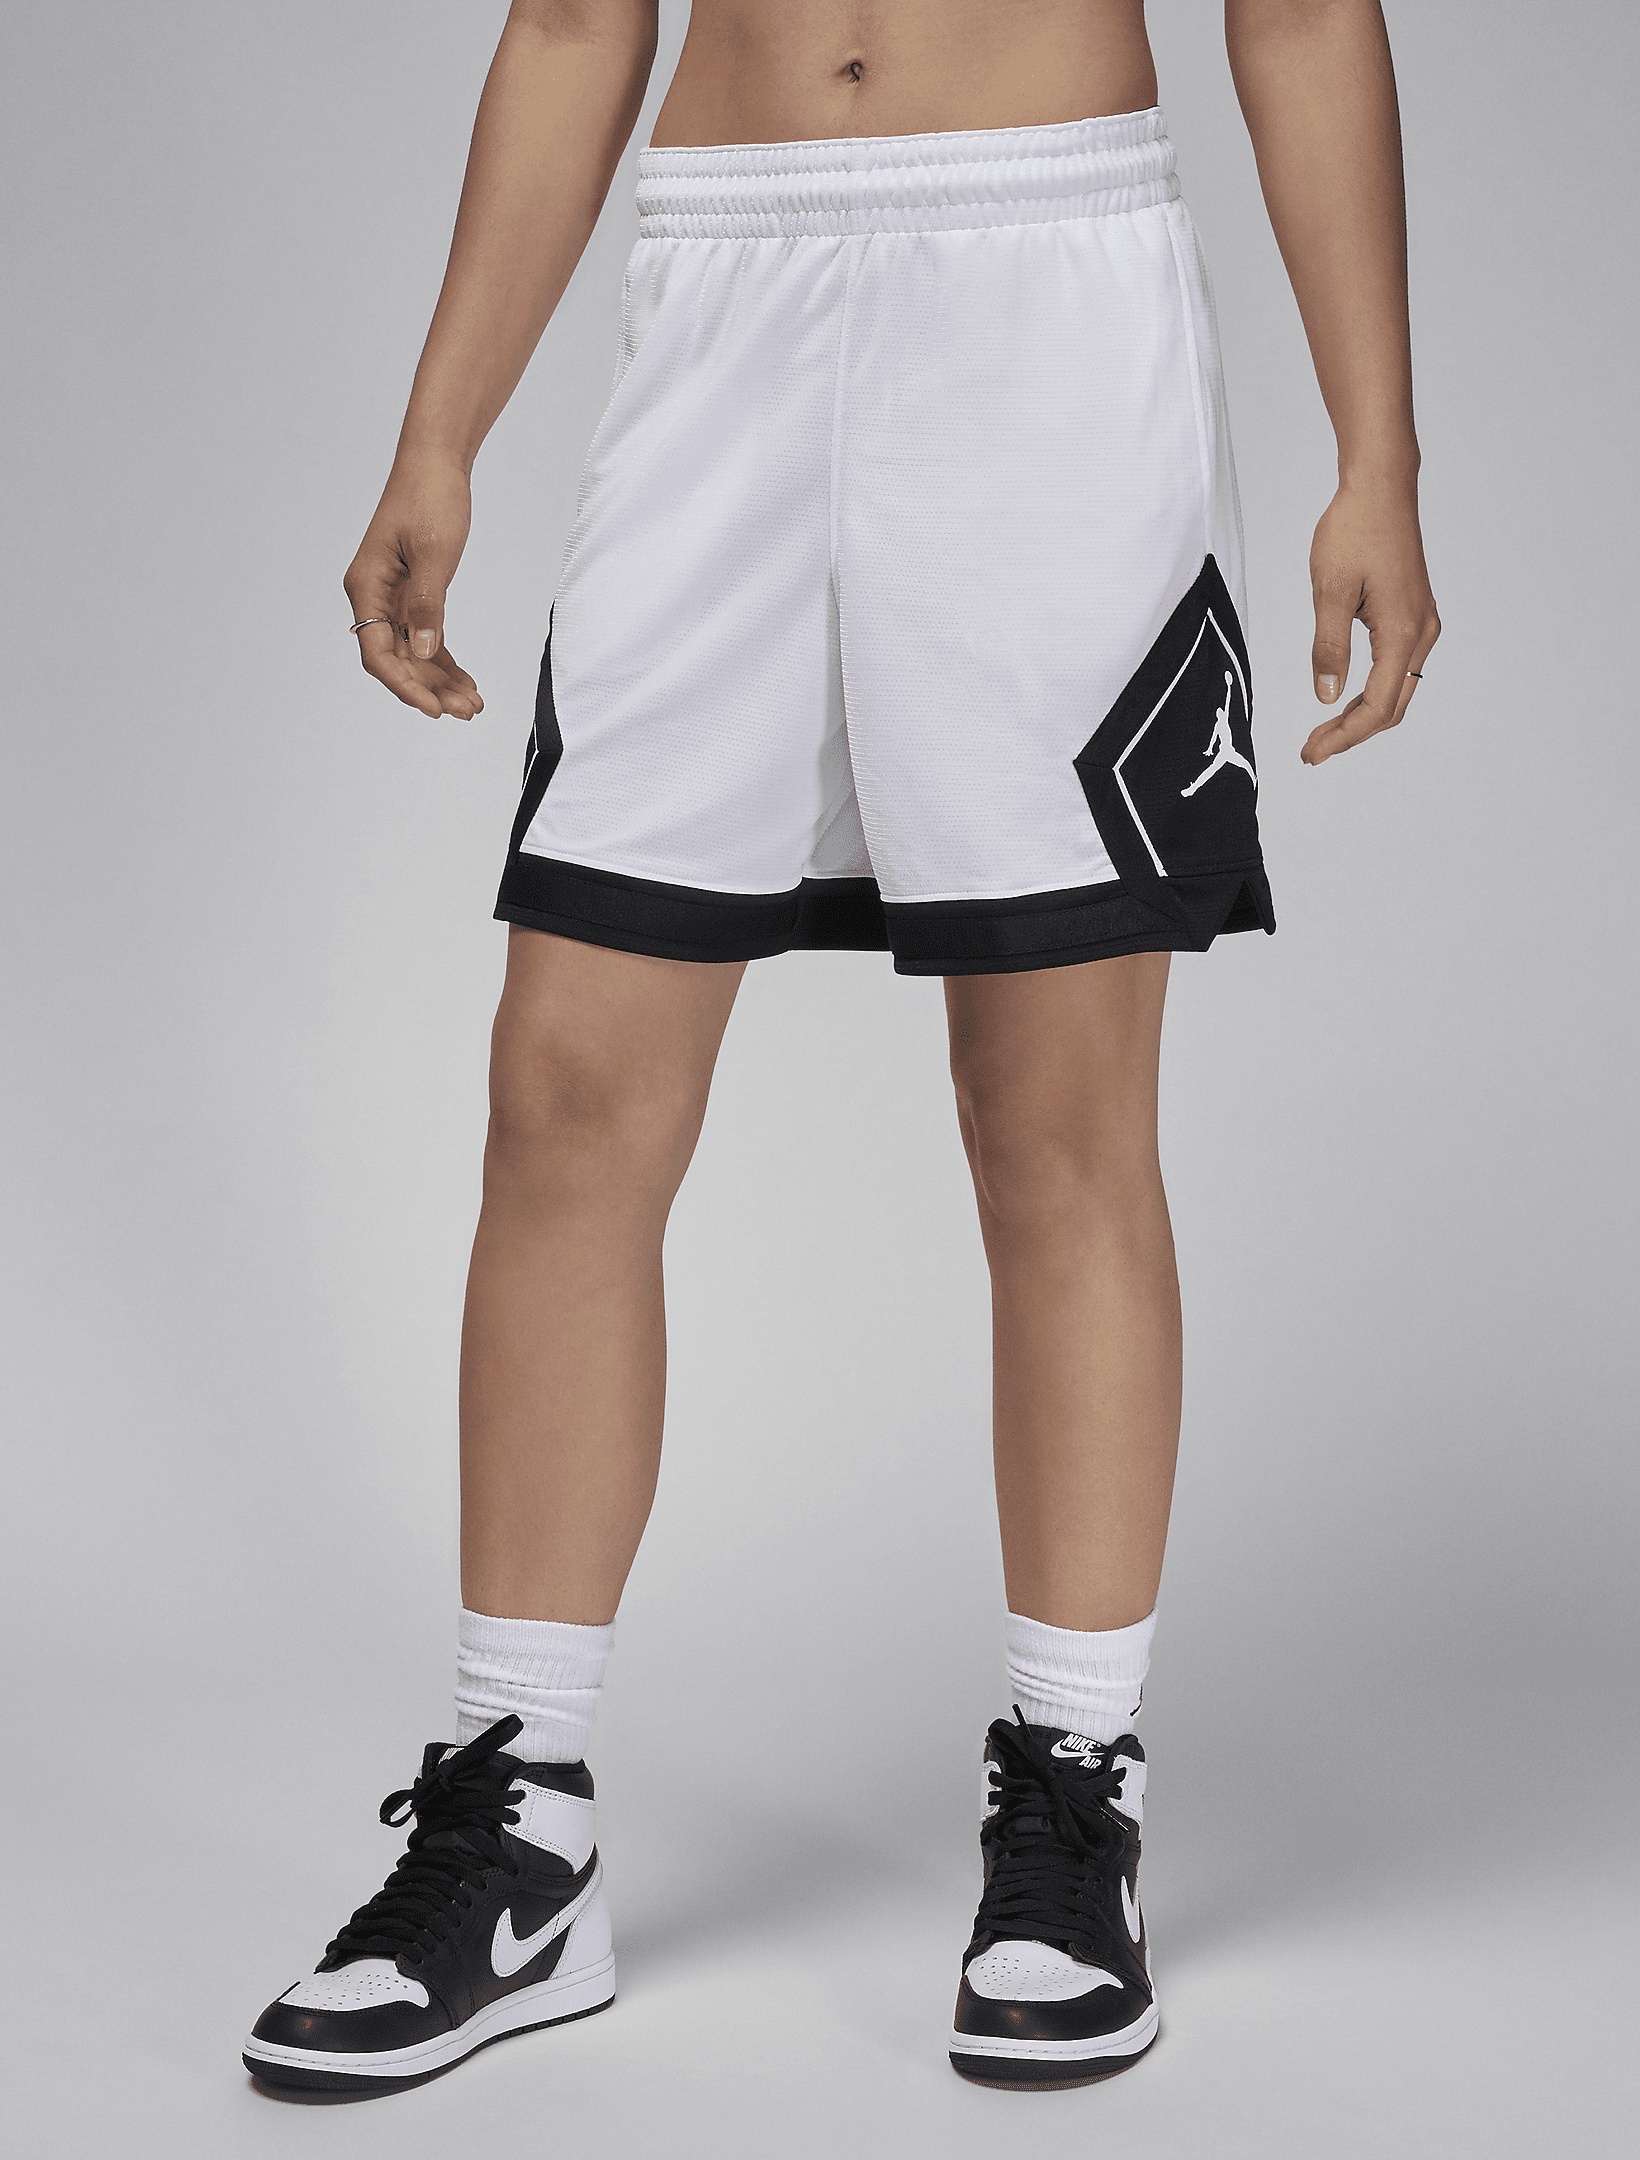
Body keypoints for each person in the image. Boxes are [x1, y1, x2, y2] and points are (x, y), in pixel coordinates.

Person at [244, 0, 1438, 2096]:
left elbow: (1301, 8)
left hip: (1044, 276)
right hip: (724, 274)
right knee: (565, 1093)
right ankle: (518, 1824)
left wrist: (1380, 453)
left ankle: (1071, 1800)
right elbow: (576, 15)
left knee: (1052, 1118)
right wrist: (441, 432)